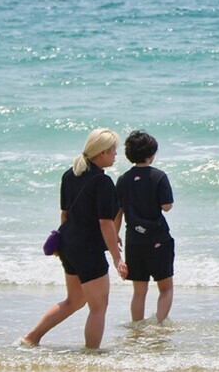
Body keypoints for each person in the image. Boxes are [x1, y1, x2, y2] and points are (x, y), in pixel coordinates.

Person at [21, 128, 128, 349]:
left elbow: (65, 215)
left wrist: (65, 244)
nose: (116, 155)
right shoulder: (102, 182)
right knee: (98, 307)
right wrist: (118, 258)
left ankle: (31, 338)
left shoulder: (70, 174)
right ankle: (91, 356)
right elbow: (104, 223)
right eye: (113, 150)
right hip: (88, 249)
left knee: (75, 300)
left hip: (69, 245)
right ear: (101, 154)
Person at [116, 131, 175, 324]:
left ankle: (137, 328)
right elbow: (167, 207)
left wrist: (115, 235)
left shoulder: (123, 179)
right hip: (158, 238)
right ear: (151, 154)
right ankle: (159, 325)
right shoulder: (159, 176)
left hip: (134, 240)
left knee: (139, 291)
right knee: (165, 288)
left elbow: (119, 212)